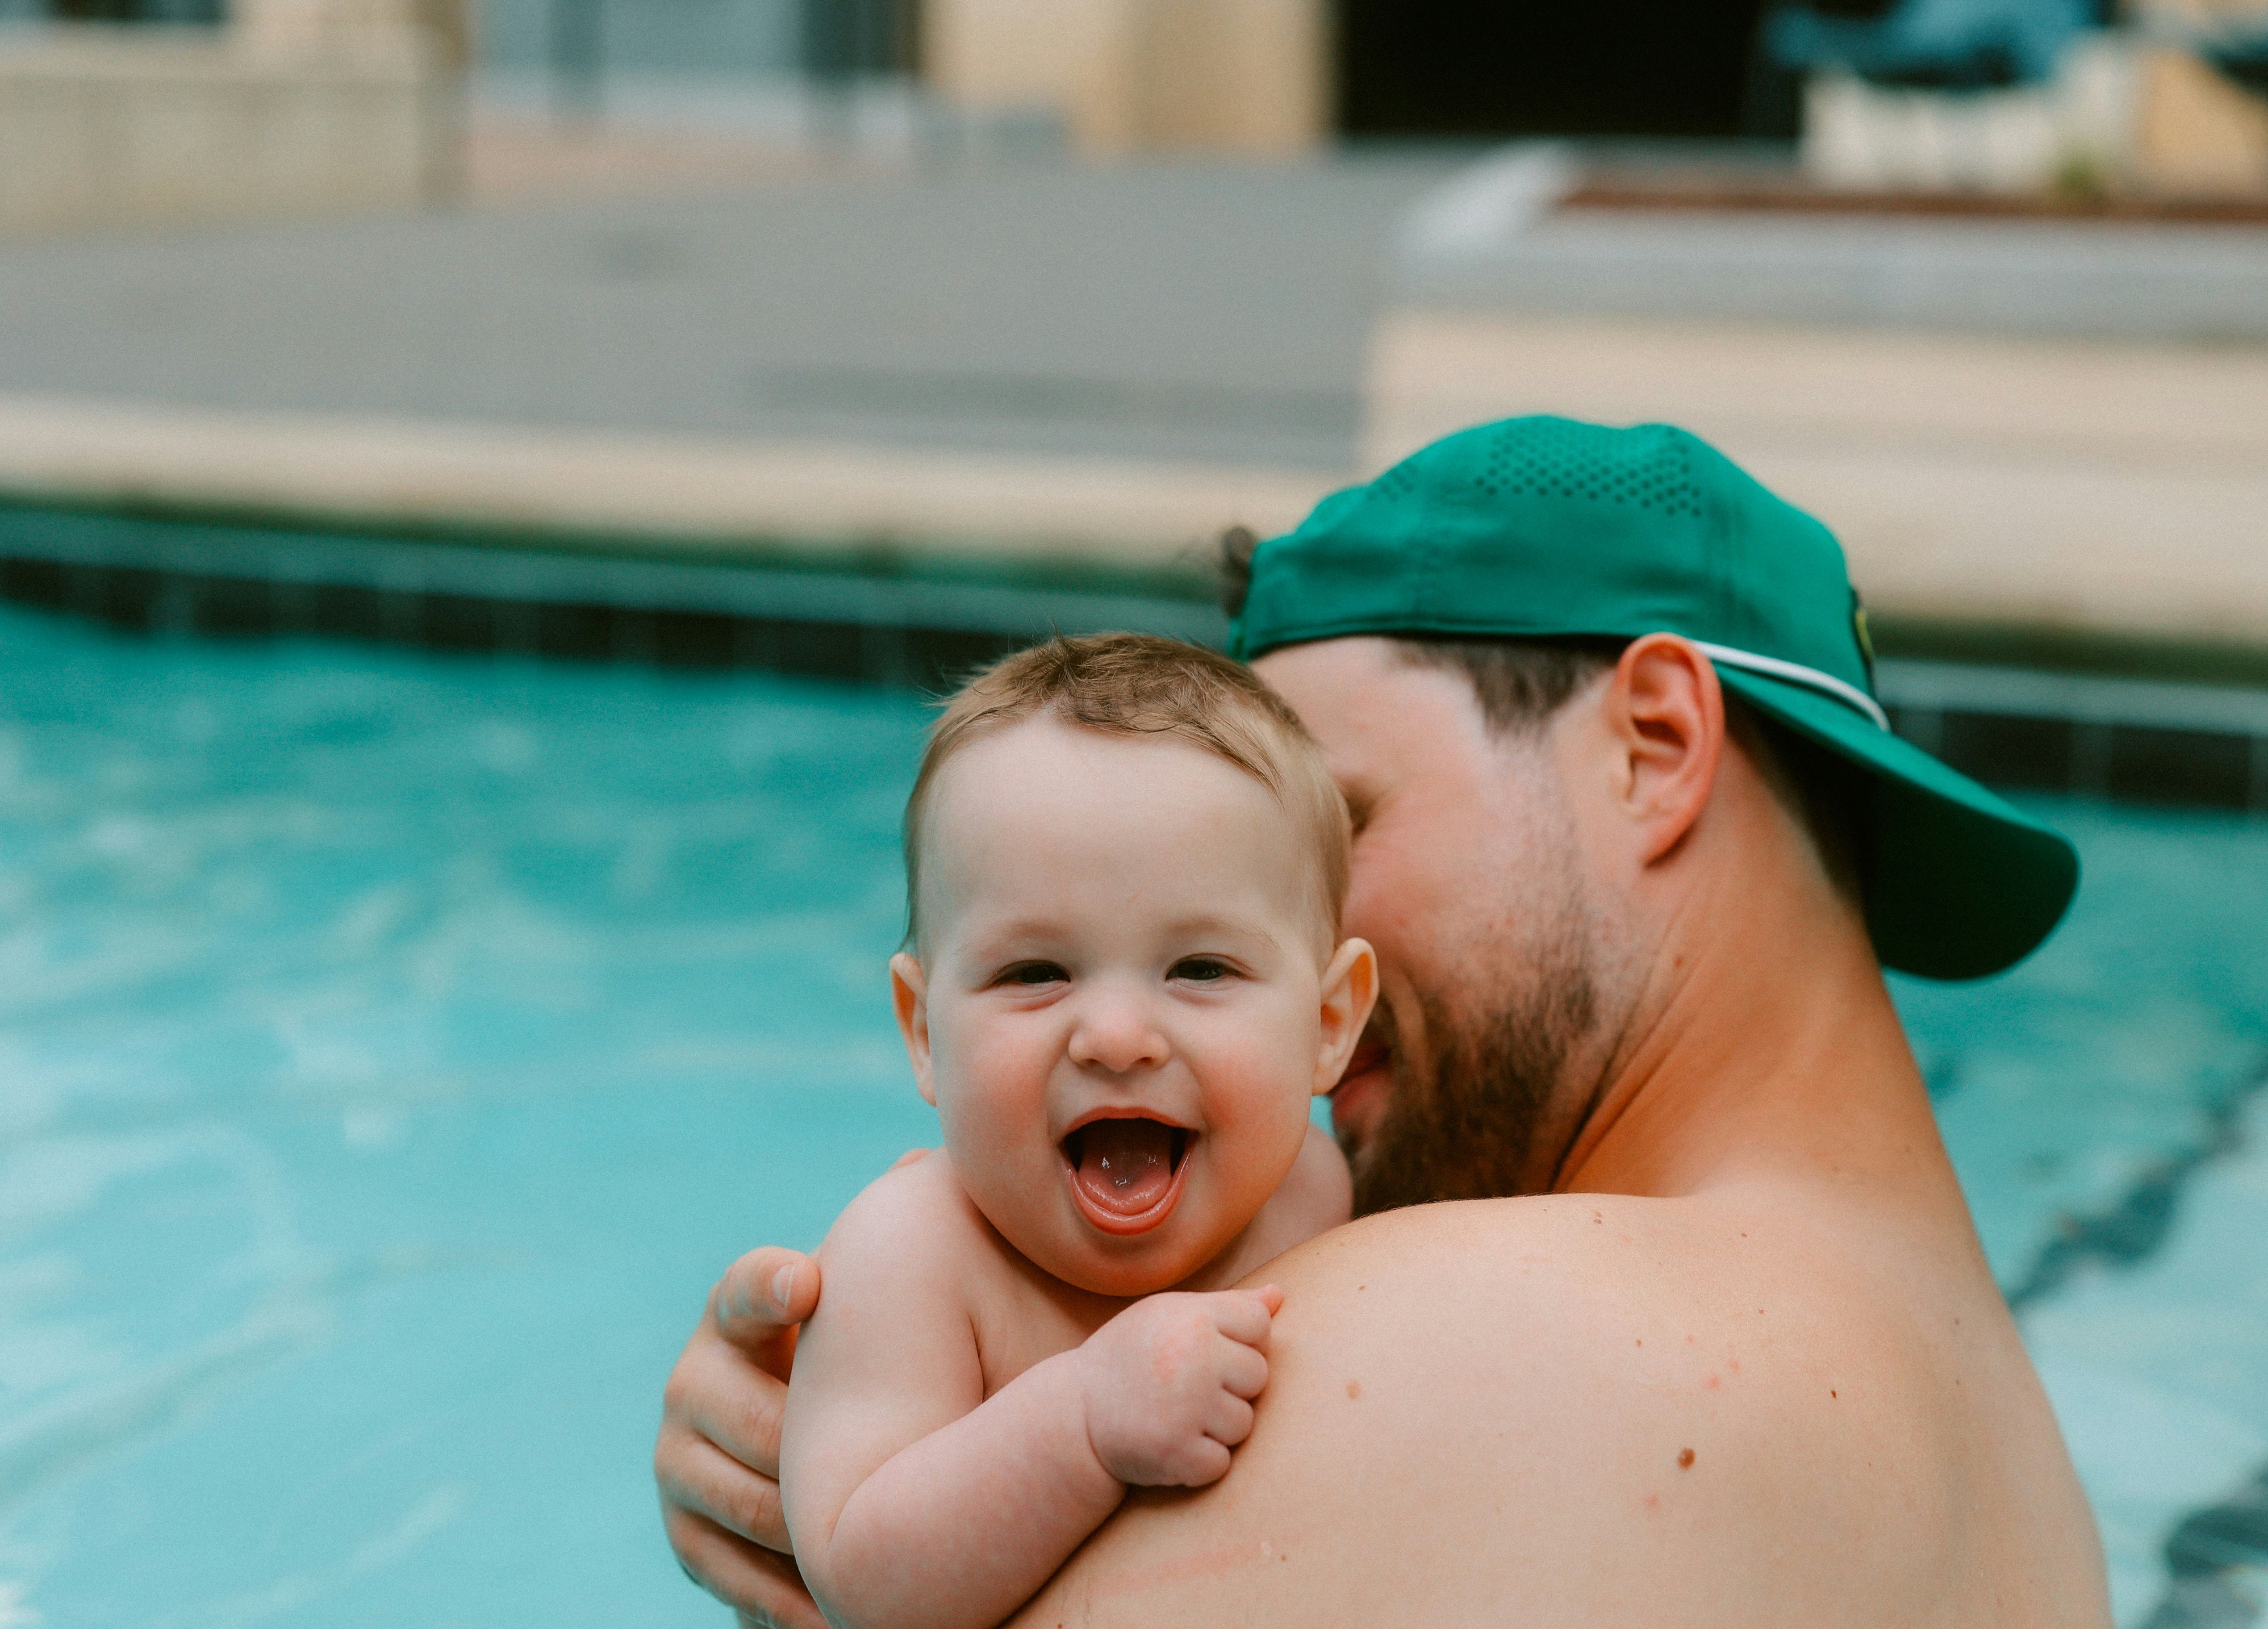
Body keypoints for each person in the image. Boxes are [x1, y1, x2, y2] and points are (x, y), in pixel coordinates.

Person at [656, 417, 2113, 1628]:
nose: (1302, 965)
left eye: (1342, 834)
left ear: (1655, 746)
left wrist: (833, 1534)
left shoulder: (1460, 1341)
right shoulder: (2016, 1462)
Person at [780, 634, 1373, 1629]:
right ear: (925, 1034)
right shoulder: (912, 1257)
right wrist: (1082, 1421)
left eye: (1200, 969)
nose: (1115, 1037)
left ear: (1326, 1027)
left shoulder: (1319, 1195)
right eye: (1033, 973)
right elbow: (856, 1573)